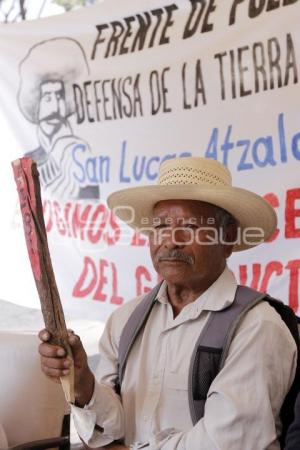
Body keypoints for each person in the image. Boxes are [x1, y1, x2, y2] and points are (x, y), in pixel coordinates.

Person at [39, 157, 297, 449]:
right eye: (160, 226)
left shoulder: (257, 327)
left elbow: (226, 442)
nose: (171, 241)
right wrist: (83, 383)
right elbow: (112, 427)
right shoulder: (126, 320)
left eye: (190, 226)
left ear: (227, 238)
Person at [18, 38, 99, 200]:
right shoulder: (30, 156)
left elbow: (91, 201)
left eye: (59, 97)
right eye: (47, 98)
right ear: (36, 103)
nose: (55, 107)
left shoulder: (80, 150)